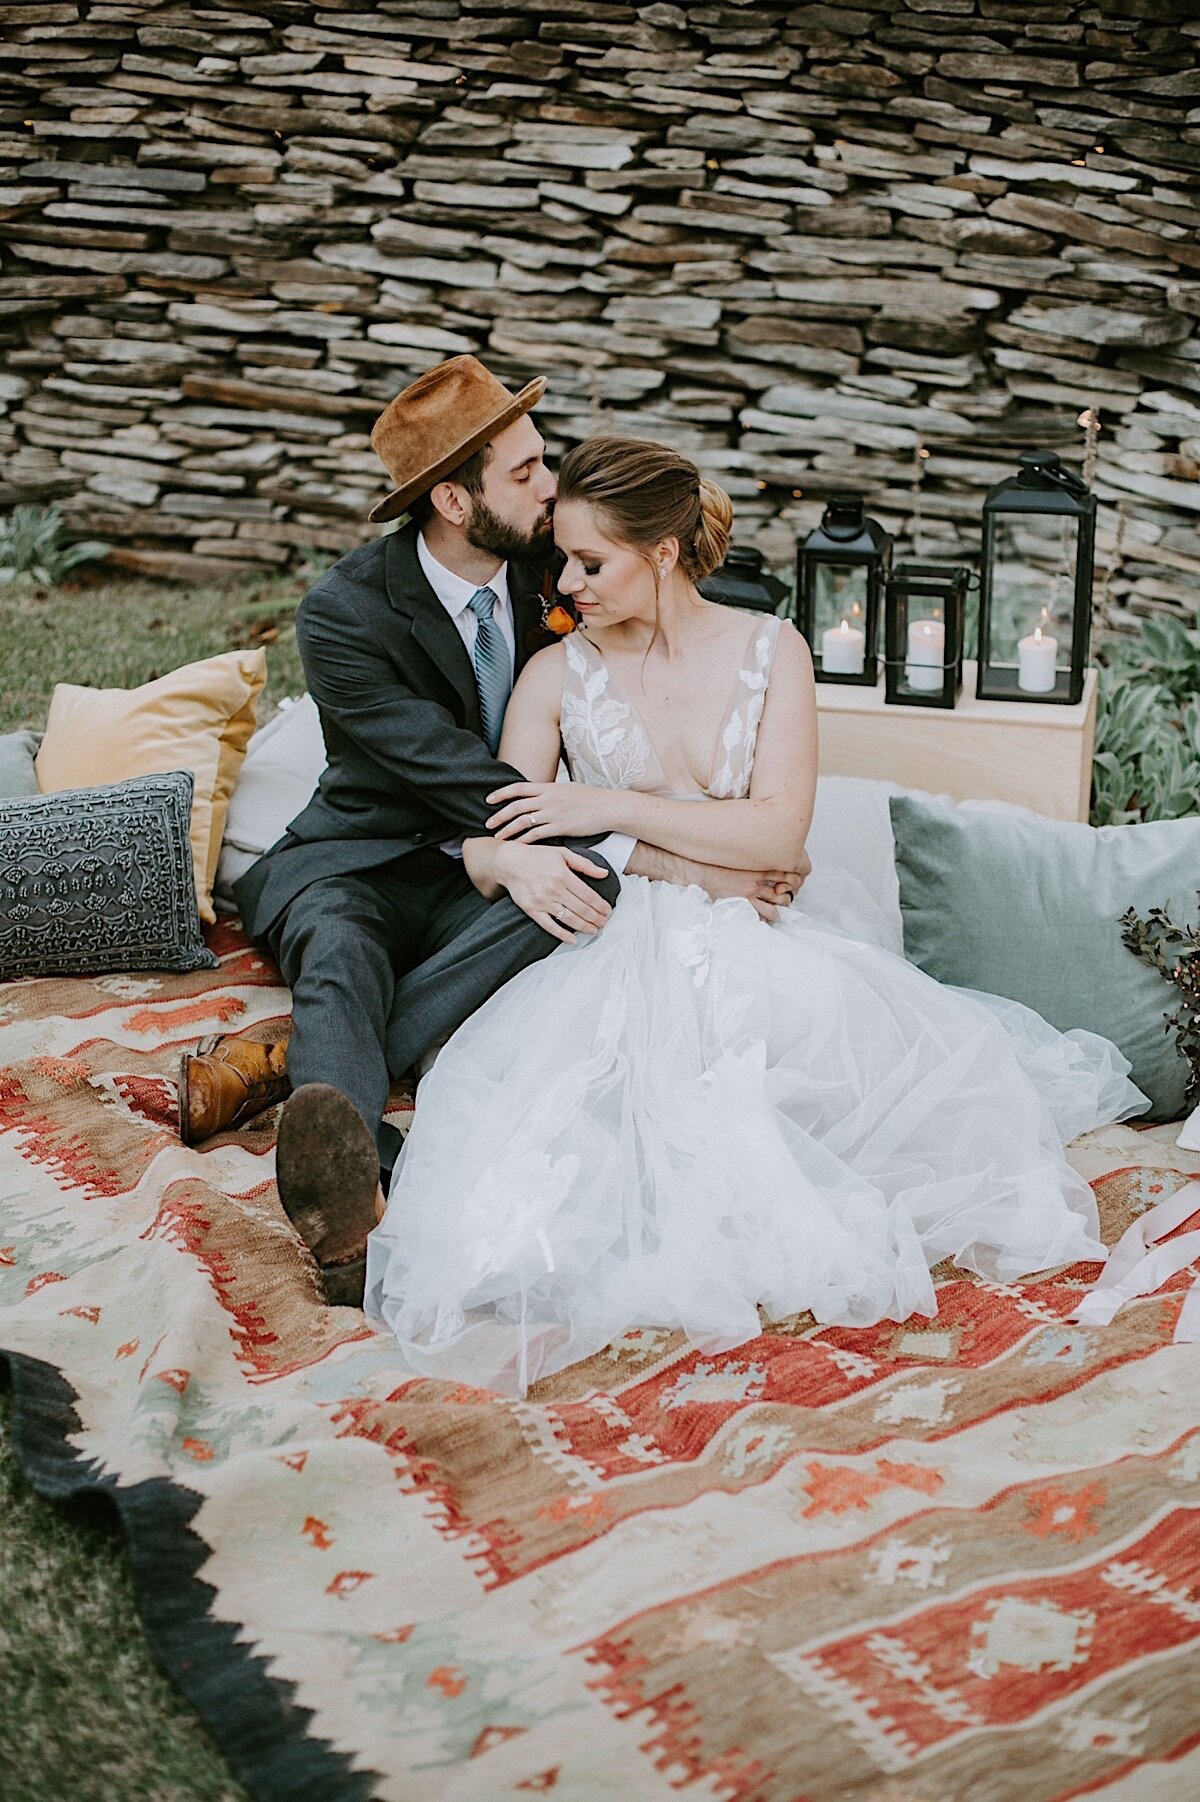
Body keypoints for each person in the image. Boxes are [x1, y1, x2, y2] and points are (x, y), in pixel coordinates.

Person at [364, 436, 1146, 1396]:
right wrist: (686, 863)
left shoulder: (773, 650)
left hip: (763, 942)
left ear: (660, 553)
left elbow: (778, 838)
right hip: (603, 943)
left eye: (590, 562)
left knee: (794, 1107)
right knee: (568, 1150)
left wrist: (608, 807)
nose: (565, 580)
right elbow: (514, 842)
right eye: (563, 557)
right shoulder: (554, 675)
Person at [178, 360, 807, 1304]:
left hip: (510, 856)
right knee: (345, 950)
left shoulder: (552, 572)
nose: (551, 487)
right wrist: (698, 861)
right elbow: (462, 776)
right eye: (524, 473)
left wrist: (560, 848)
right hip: (370, 857)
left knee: (588, 894)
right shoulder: (344, 614)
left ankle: (287, 1062)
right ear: (454, 501)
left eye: (541, 461)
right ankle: (353, 1192)